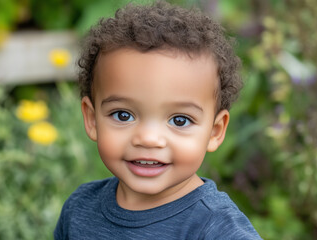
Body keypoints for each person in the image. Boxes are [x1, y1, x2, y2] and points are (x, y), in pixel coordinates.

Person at [54, 1, 262, 239]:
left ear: (214, 132)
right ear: (92, 119)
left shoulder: (215, 228)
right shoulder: (80, 209)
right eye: (123, 115)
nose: (149, 139)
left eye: (180, 120)